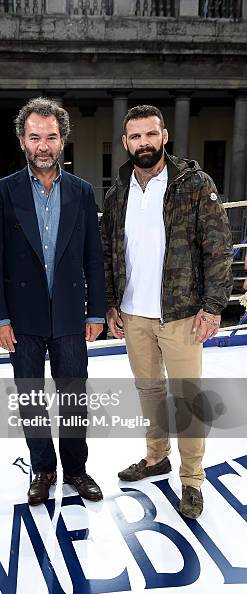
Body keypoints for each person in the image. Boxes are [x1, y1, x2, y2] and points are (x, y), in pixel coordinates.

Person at [101, 104, 233, 519]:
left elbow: (218, 249)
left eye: (150, 135)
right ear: (125, 143)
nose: (144, 143)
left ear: (164, 137)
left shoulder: (194, 184)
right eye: (135, 136)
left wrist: (213, 307)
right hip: (134, 313)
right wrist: (110, 302)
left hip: (181, 313)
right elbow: (109, 253)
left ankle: (192, 480)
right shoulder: (117, 190)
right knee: (150, 392)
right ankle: (156, 457)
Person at [0, 97, 106, 506]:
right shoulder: (3, 193)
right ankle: (43, 469)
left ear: (62, 140)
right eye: (35, 137)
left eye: (51, 137)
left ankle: (75, 469)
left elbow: (94, 255)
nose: (43, 145)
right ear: (22, 141)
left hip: (71, 314)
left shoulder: (83, 192)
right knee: (30, 397)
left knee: (73, 396)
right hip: (22, 318)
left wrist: (95, 309)